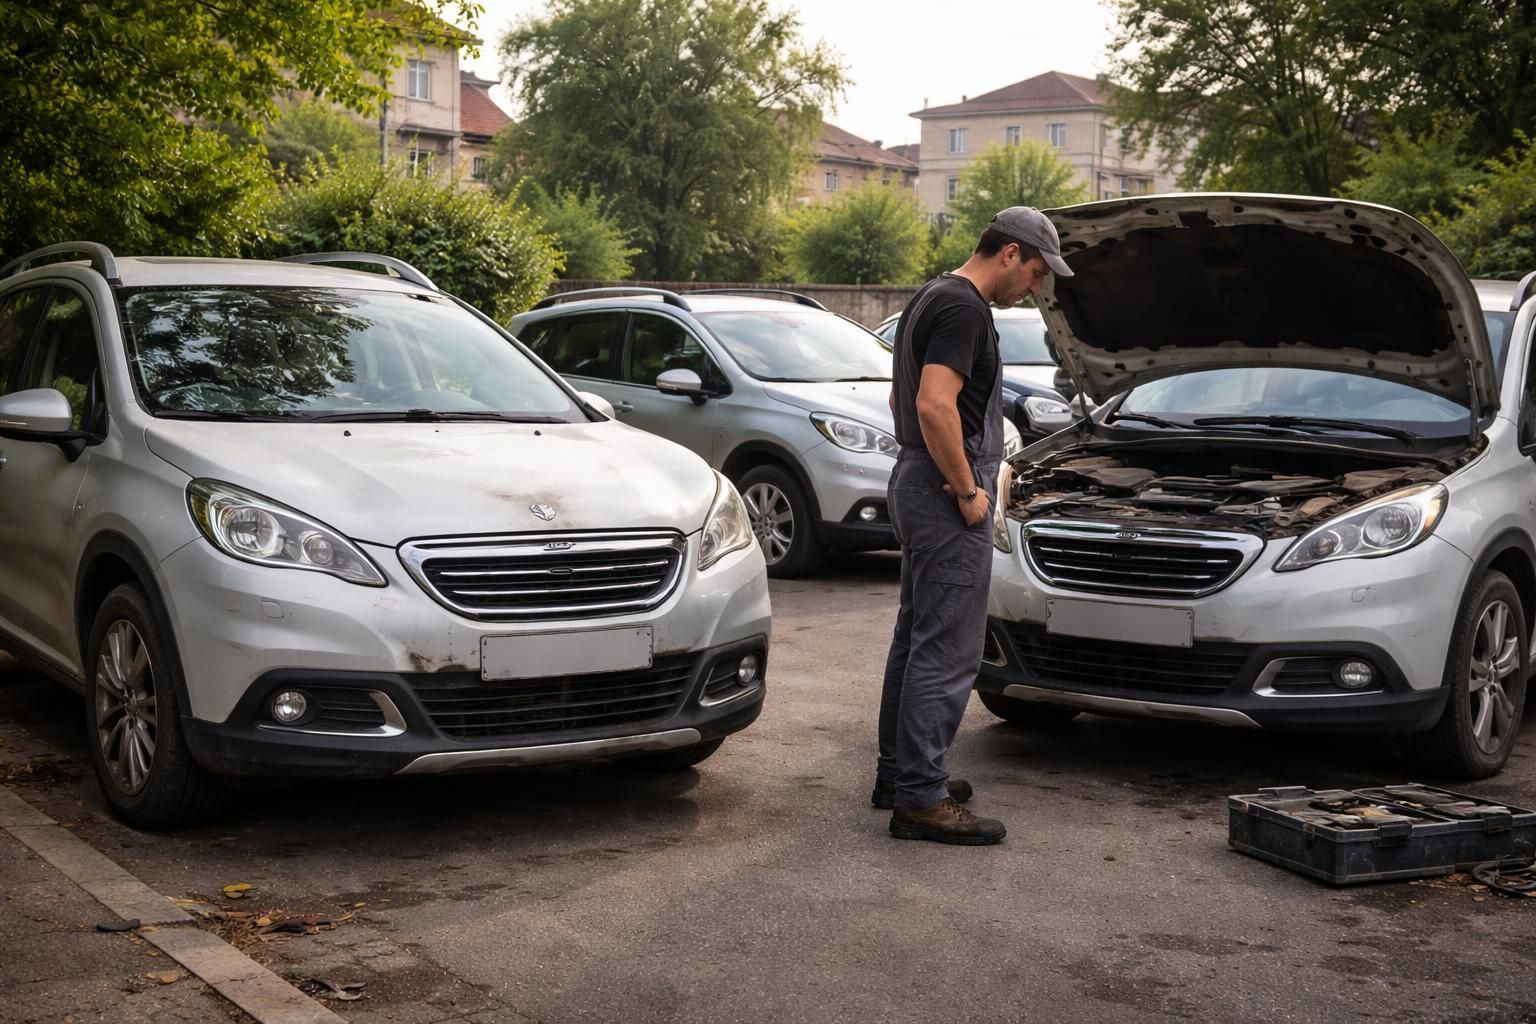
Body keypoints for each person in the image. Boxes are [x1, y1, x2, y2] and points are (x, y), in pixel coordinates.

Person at [874, 206, 1073, 845]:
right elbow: (935, 405)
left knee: (916, 637)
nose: (1035, 289)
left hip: (913, 477)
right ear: (1010, 253)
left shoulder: (930, 295)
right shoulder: (964, 309)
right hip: (942, 490)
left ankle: (901, 775)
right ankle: (922, 799)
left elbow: (898, 398)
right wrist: (967, 491)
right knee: (948, 647)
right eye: (1037, 273)